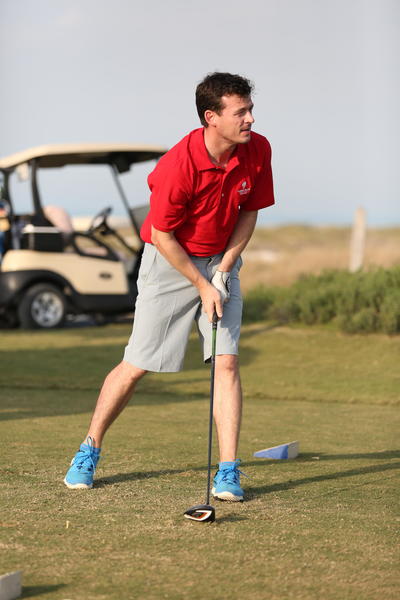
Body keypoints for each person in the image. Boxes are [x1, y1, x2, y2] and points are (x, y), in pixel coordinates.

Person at [64, 72, 275, 501]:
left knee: (227, 362)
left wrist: (225, 269)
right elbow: (162, 236)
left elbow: (249, 210)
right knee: (137, 363)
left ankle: (228, 471)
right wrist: (202, 285)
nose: (251, 119)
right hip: (170, 262)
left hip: (219, 260)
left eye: (250, 109)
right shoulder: (178, 165)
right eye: (241, 112)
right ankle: (89, 449)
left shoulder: (257, 149)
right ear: (211, 117)